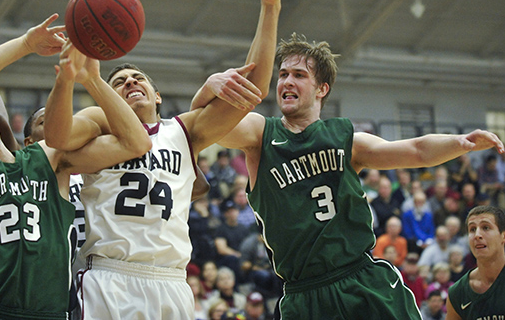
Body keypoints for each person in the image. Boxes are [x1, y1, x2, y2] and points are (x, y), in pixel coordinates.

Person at [192, 32, 505, 318]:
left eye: (299, 75)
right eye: (283, 74)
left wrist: (460, 143)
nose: (287, 81)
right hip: (304, 294)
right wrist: (208, 89)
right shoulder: (261, 135)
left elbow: (417, 150)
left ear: (321, 89)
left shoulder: (346, 140)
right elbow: (203, 128)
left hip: (361, 280)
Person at [42, 0, 282, 320]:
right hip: (109, 276)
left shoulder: (184, 131)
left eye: (138, 78)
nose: (129, 82)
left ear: (156, 95)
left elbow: (253, 88)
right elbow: (57, 136)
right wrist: (70, 79)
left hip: (171, 282)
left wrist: (270, 6)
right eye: (119, 82)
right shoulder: (98, 121)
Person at [0, 14, 151, 319]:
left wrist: (91, 80)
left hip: (51, 314)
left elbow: (137, 143)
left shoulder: (50, 158)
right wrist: (26, 44)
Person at [446, 205, 505, 319]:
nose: (477, 235)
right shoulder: (458, 292)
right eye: (472, 229)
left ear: (503, 235)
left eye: (486, 227)